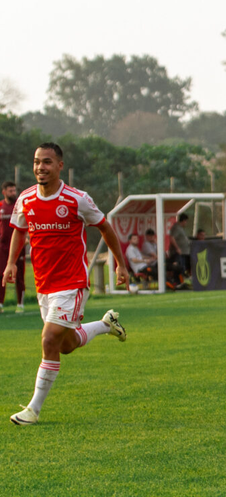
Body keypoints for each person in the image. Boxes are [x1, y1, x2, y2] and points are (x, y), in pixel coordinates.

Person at [4, 142, 128, 426]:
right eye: (36, 162)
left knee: (49, 339)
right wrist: (11, 263)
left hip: (72, 283)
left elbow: (105, 227)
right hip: (44, 285)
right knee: (66, 344)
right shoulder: (26, 199)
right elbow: (19, 232)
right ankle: (105, 325)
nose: (40, 167)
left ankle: (33, 410)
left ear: (60, 166)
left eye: (47, 162)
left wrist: (120, 263)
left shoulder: (77, 199)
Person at [0, 181, 25, 313]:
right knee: (1, 275)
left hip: (18, 247)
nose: (13, 193)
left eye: (14, 190)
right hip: (2, 248)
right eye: (10, 191)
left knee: (19, 276)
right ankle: (0, 304)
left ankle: (20, 304)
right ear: (4, 192)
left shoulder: (19, 206)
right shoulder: (0, 206)